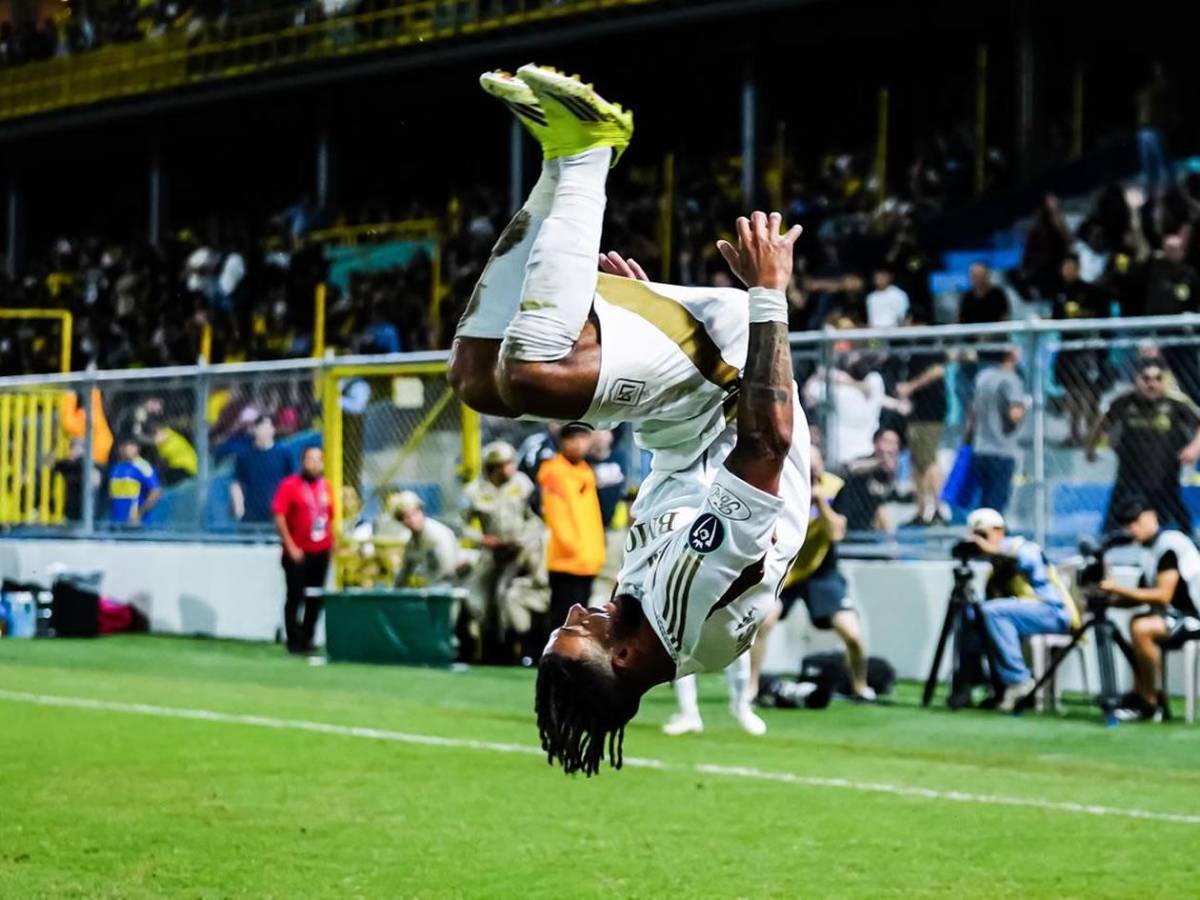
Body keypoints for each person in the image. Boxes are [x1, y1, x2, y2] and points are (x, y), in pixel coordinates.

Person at [447, 66, 810, 774]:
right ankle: (587, 152)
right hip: (734, 380)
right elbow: (768, 442)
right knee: (532, 374)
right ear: (622, 659)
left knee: (475, 379)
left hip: (684, 408)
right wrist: (770, 296)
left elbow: (682, 473)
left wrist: (643, 352)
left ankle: (559, 166)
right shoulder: (699, 597)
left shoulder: (651, 621)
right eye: (576, 634)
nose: (573, 615)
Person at [957, 508, 1079, 711]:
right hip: (1027, 614)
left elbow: (1028, 559)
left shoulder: (1021, 546)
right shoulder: (995, 567)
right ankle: (979, 683)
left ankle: (1020, 681)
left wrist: (992, 550)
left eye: (983, 535)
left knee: (992, 611)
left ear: (999, 531)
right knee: (972, 614)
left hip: (1053, 612)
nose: (980, 543)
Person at [778, 443, 872, 698]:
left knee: (852, 634)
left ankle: (860, 687)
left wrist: (820, 500)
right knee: (763, 621)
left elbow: (836, 533)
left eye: (814, 464)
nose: (811, 470)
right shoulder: (782, 486)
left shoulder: (835, 488)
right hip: (787, 572)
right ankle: (750, 689)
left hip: (823, 573)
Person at [1101, 498, 1200, 721]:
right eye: (1127, 524)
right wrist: (1107, 600)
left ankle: (1149, 700)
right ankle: (1143, 695)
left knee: (1141, 627)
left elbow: (1162, 595)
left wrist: (1117, 587)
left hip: (1194, 616)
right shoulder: (1149, 551)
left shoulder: (1170, 544)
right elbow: (1141, 597)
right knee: (1137, 621)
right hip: (1173, 616)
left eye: (1134, 522)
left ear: (1151, 517)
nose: (1131, 529)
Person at [1088, 358, 1200, 532]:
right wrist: (1091, 448)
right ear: (1136, 379)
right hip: (1129, 476)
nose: (1152, 384)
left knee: (1177, 522)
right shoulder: (1124, 401)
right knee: (1114, 524)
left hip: (1164, 476)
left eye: (1157, 379)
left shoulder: (1176, 403)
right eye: (1146, 379)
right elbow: (1102, 423)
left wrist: (1194, 448)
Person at [461, 441, 541, 661]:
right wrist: (481, 539)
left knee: (507, 596)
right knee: (479, 599)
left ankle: (517, 649)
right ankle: (487, 651)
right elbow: (461, 525)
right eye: (499, 465)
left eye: (508, 463)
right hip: (491, 551)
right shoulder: (475, 491)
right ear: (489, 468)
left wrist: (522, 540)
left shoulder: (523, 484)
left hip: (519, 550)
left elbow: (536, 518)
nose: (506, 469)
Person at [538, 422, 605, 628]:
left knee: (578, 618)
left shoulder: (585, 471)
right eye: (573, 439)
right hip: (566, 559)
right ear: (563, 442)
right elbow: (556, 516)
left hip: (588, 558)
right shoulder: (554, 471)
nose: (578, 444)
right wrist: (572, 547)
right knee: (563, 618)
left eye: (583, 438)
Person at [271, 446, 333, 655]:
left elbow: (330, 518)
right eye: (310, 459)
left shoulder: (326, 487)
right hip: (297, 552)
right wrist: (290, 546)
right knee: (295, 596)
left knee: (316, 597)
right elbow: (279, 515)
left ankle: (308, 638)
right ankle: (294, 641)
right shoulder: (290, 486)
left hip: (321, 551)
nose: (314, 464)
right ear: (302, 461)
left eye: (318, 460)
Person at [1051, 253, 1109, 446]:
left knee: (1089, 393)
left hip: (1087, 349)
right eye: (1064, 267)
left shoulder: (1091, 291)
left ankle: (1092, 434)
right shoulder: (1059, 292)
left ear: (1077, 267)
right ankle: (1073, 433)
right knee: (1071, 393)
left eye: (1070, 266)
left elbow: (1101, 318)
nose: (1066, 271)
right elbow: (1056, 320)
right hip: (1067, 349)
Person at [969, 346, 1026, 515]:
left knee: (984, 502)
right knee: (996, 504)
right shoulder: (1011, 380)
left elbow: (973, 414)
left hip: (980, 446)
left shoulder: (983, 377)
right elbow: (1015, 414)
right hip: (1001, 448)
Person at [897, 347, 948, 526]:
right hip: (916, 412)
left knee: (928, 460)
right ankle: (921, 510)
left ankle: (939, 509)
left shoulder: (929, 344)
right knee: (916, 461)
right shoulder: (912, 349)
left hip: (929, 414)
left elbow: (938, 369)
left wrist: (911, 387)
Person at [394, 491, 467, 588]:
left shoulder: (436, 534)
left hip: (450, 587)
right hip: (433, 587)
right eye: (406, 517)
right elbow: (405, 572)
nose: (412, 520)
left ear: (421, 511)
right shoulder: (413, 541)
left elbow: (447, 573)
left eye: (414, 514)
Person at [231, 415, 296, 523]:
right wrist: (239, 507)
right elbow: (237, 482)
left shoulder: (283, 454)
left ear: (273, 430)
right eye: (260, 427)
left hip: (276, 512)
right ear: (255, 430)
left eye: (267, 427)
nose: (263, 431)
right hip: (251, 513)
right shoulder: (245, 456)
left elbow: (291, 481)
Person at [836, 428, 900, 533]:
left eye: (895, 443)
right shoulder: (865, 464)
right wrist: (878, 463)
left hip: (873, 527)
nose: (892, 448)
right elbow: (845, 469)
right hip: (850, 522)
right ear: (876, 443)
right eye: (887, 442)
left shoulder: (894, 472)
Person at [108, 435, 162, 526]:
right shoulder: (116, 468)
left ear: (137, 448)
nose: (125, 449)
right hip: (116, 524)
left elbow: (156, 492)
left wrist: (139, 514)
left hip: (136, 526)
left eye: (129, 445)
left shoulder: (143, 467)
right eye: (122, 446)